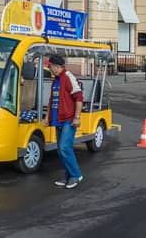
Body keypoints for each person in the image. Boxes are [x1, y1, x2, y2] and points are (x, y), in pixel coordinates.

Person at [46, 53, 84, 189]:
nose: (50, 69)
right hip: (58, 119)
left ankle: (75, 175)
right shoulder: (55, 80)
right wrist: (47, 117)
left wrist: (77, 117)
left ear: (56, 66)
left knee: (64, 147)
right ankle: (69, 176)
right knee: (60, 150)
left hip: (68, 119)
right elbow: (52, 100)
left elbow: (79, 97)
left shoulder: (68, 77)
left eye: (50, 66)